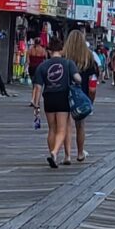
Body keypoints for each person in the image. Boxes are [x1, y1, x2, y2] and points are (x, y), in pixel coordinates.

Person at [35, 36, 78, 168]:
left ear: (49, 50)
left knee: (52, 129)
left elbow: (38, 87)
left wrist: (36, 104)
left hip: (48, 98)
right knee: (62, 129)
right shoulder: (68, 63)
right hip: (62, 97)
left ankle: (53, 154)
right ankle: (54, 152)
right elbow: (77, 78)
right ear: (62, 49)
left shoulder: (42, 66)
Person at [65, 30, 97, 163]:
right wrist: (90, 101)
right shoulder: (88, 57)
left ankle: (67, 155)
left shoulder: (64, 56)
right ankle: (79, 153)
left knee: (65, 125)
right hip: (81, 95)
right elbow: (92, 85)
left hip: (64, 93)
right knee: (80, 126)